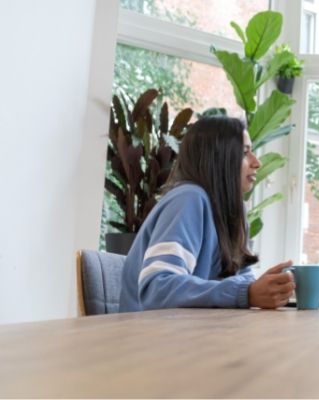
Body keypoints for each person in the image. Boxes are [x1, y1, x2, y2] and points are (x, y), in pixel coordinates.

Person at [120, 116, 295, 312]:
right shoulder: (189, 199)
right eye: (245, 153)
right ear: (219, 157)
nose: (257, 162)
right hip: (148, 337)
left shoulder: (233, 210)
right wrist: (245, 292)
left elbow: (241, 280)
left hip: (195, 333)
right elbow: (156, 288)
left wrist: (257, 289)